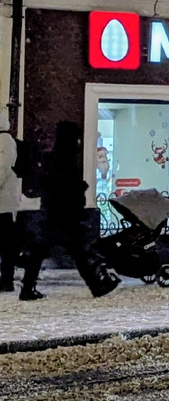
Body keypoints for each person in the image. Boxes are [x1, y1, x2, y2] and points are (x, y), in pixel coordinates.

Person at [20, 122, 120, 300]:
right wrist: (78, 193)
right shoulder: (65, 160)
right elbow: (66, 187)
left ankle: (28, 288)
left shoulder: (54, 158)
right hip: (63, 216)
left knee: (44, 252)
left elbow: (48, 183)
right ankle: (96, 285)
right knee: (79, 251)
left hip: (52, 214)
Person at [0, 112, 23, 293]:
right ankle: (6, 278)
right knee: (6, 241)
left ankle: (6, 279)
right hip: (4, 202)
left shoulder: (5, 141)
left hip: (3, 202)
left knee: (6, 242)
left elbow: (2, 168)